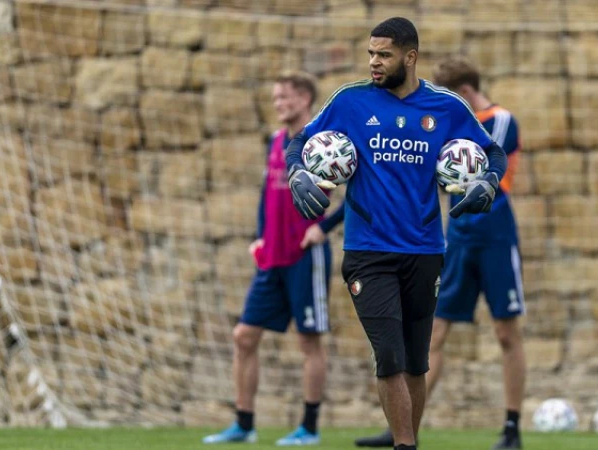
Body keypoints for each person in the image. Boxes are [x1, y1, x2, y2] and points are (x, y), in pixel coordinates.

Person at [285, 18, 508, 450]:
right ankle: (405, 446)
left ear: (410, 57)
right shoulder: (349, 102)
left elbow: (493, 151)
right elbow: (299, 141)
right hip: (368, 251)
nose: (374, 62)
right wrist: (297, 173)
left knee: (416, 364)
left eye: (383, 55)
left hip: (426, 250)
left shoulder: (446, 107)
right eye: (371, 53)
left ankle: (407, 440)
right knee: (388, 356)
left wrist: (488, 181)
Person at [354, 57, 526, 450]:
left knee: (505, 331)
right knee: (434, 335)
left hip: (497, 238)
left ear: (463, 93)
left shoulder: (500, 120)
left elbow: (486, 158)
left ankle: (512, 427)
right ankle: (404, 427)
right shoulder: (443, 123)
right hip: (458, 239)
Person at [202, 71, 345, 446]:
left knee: (309, 342)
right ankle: (244, 424)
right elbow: (268, 194)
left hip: (306, 256)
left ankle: (309, 429)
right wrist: (259, 237)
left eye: (283, 97)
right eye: (275, 97)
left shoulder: (323, 142)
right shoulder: (276, 141)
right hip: (273, 256)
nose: (278, 104)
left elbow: (361, 193)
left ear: (303, 99)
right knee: (244, 336)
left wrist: (324, 227)